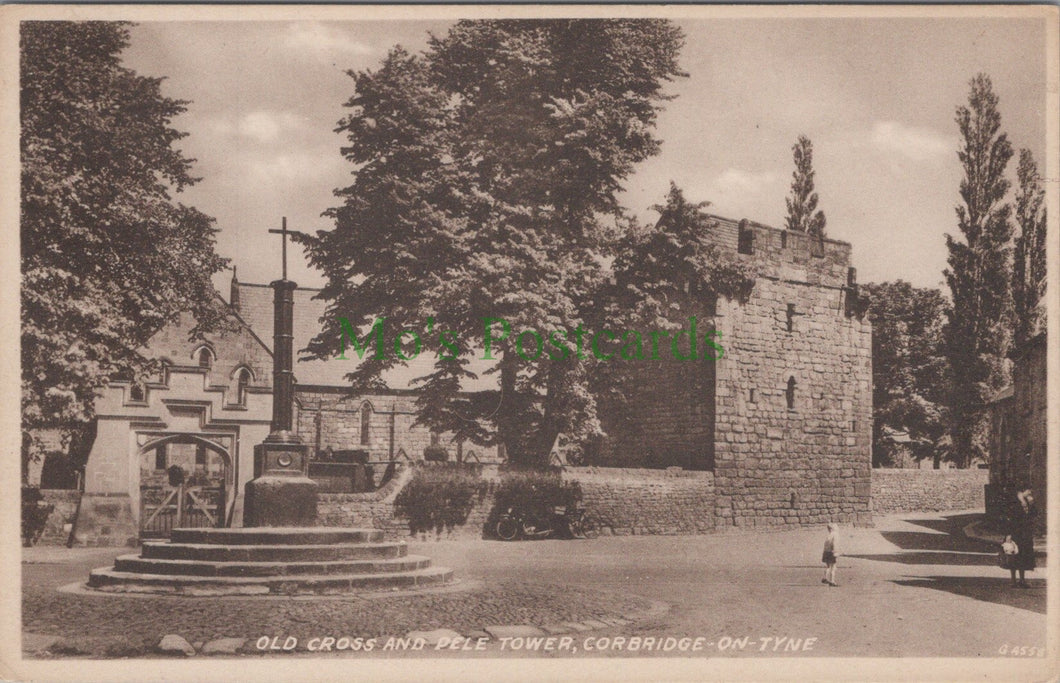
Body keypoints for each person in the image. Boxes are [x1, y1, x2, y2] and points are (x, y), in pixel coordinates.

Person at [1006, 486, 1037, 588]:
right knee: (1013, 555)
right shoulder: (1015, 501)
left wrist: (1032, 504)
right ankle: (1013, 580)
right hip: (1015, 533)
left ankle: (1022, 580)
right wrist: (1009, 534)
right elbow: (1010, 518)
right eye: (1028, 491)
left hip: (1025, 534)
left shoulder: (1028, 501)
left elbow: (1034, 515)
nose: (1030, 493)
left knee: (1023, 557)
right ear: (1024, 491)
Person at [821, 523, 839, 587]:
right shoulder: (835, 534)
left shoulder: (828, 535)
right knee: (833, 567)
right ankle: (832, 581)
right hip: (831, 552)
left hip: (826, 552)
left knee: (828, 566)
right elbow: (835, 544)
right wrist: (835, 552)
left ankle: (825, 578)